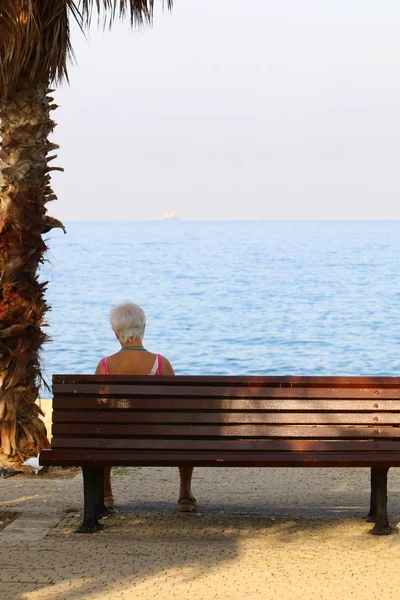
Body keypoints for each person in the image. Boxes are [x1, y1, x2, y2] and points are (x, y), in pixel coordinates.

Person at [95, 302, 196, 512]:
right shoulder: (161, 364)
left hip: (117, 439)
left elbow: (99, 410)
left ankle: (106, 493)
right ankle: (185, 494)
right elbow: (177, 409)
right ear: (143, 328)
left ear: (116, 332)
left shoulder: (105, 366)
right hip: (159, 439)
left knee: (101, 428)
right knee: (186, 430)